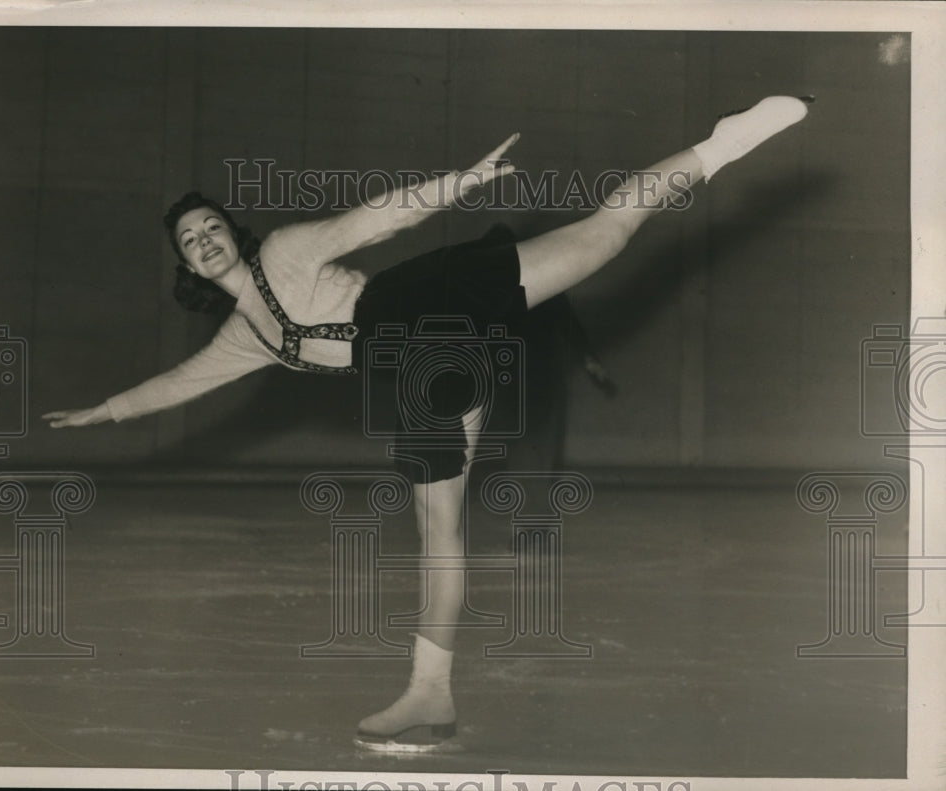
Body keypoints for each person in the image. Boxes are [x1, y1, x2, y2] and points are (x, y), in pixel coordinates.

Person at [44, 95, 812, 751]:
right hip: (416, 369)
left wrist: (461, 183)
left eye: (211, 225)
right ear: (186, 267)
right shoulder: (244, 338)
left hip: (421, 302)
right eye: (190, 239)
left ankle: (725, 141)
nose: (205, 238)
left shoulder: (284, 251)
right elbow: (183, 380)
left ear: (231, 233)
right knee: (438, 528)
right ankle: (430, 695)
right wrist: (104, 409)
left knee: (604, 235)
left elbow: (373, 219)